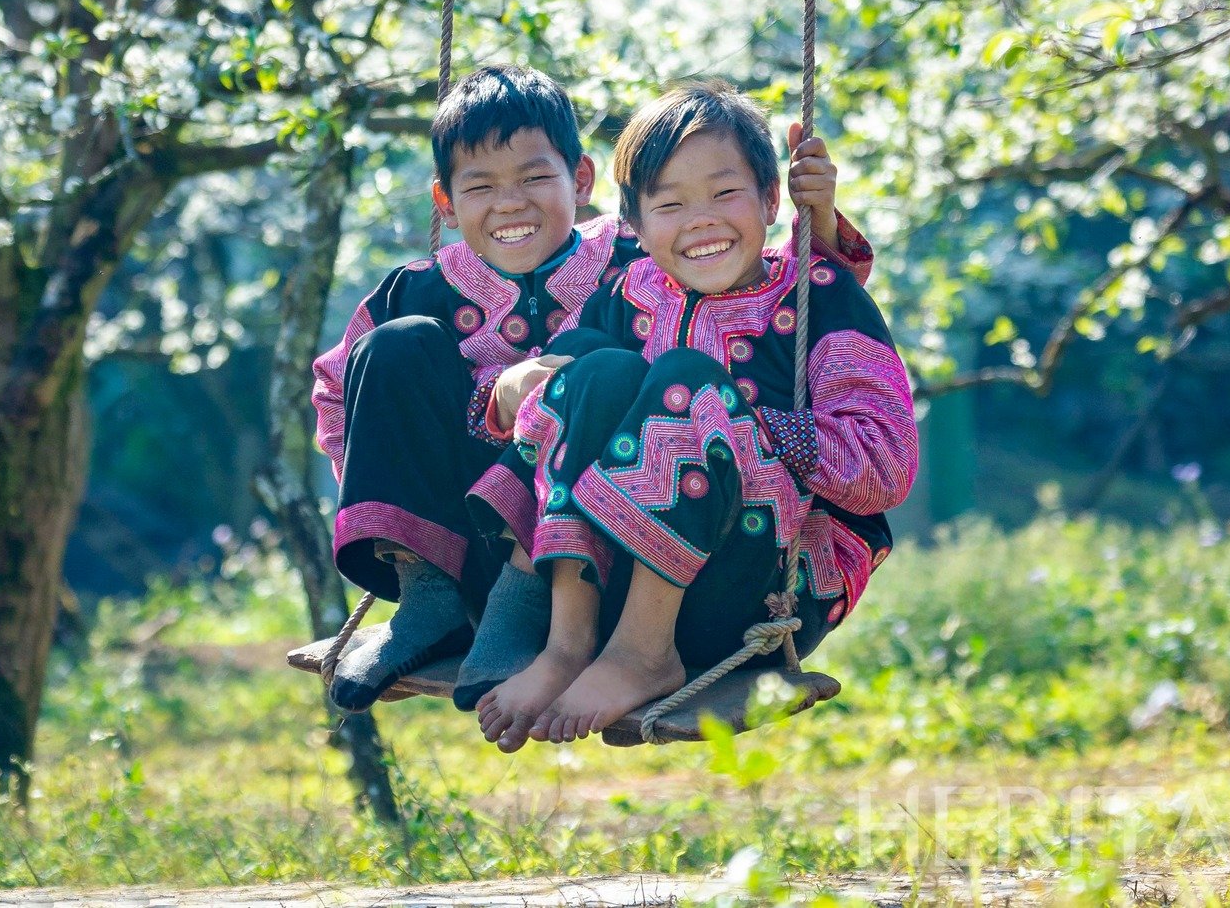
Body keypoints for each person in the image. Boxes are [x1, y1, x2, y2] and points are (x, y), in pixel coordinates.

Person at [312, 66, 873, 713]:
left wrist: (820, 221)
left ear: (581, 181)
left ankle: (566, 624)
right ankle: (428, 597)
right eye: (481, 186)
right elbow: (338, 397)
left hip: (624, 548)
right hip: (476, 546)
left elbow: (749, 274)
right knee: (393, 345)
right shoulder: (416, 287)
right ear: (445, 201)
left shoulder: (633, 258)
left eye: (534, 178)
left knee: (600, 364)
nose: (511, 203)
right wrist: (477, 414)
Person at [469, 80, 917, 751]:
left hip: (759, 588)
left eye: (724, 193)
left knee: (685, 383)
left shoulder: (820, 299)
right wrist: (507, 392)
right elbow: (549, 404)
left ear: (772, 200)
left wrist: (745, 428)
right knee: (592, 371)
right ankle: (567, 641)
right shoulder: (628, 293)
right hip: (613, 581)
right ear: (637, 228)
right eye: (670, 204)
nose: (701, 218)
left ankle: (645, 654)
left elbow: (886, 466)